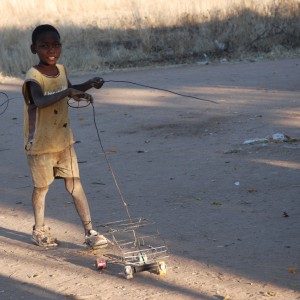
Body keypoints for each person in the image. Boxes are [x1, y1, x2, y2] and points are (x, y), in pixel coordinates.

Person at [22, 24, 108, 249]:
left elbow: (69, 89)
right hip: (40, 145)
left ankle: (90, 232)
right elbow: (40, 101)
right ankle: (39, 230)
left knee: (75, 185)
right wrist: (69, 92)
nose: (51, 50)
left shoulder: (61, 69)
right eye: (44, 46)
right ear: (34, 49)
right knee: (42, 188)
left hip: (63, 141)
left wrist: (88, 86)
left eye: (56, 45)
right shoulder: (32, 77)